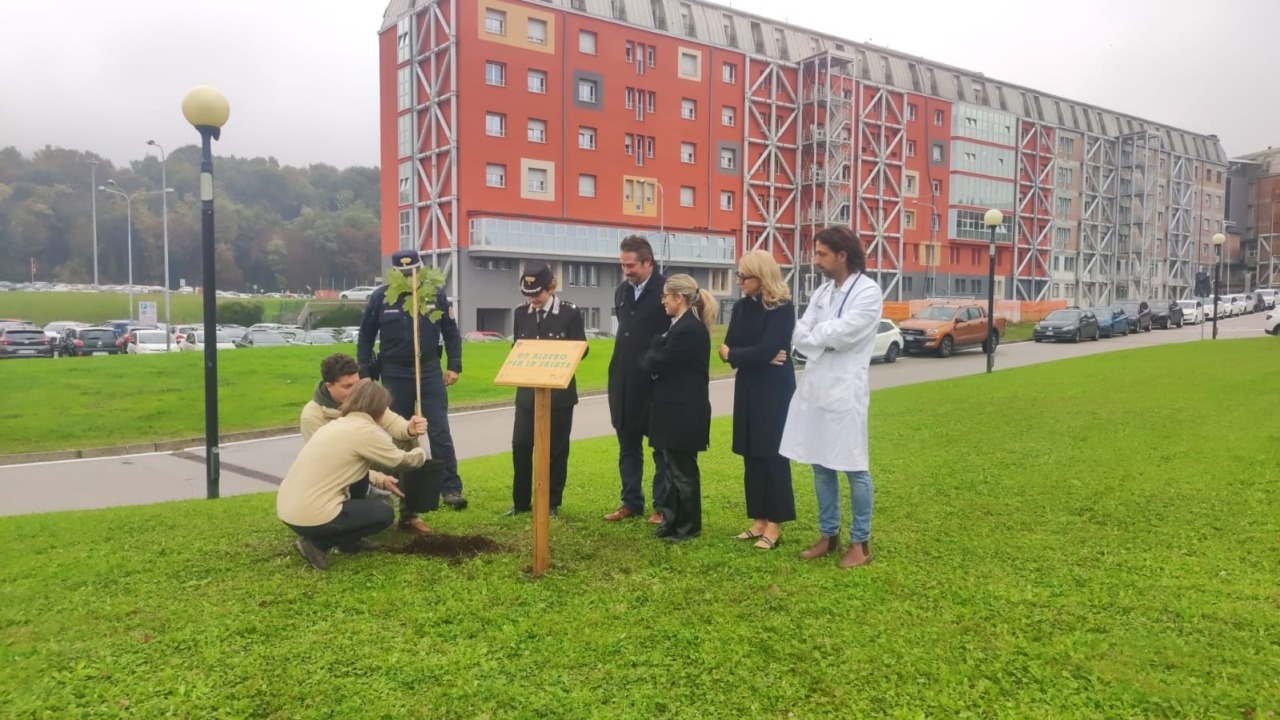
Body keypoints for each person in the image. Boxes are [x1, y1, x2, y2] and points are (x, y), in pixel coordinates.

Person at [780, 225, 883, 569]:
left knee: (854, 466)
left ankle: (860, 543)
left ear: (842, 255)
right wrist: (819, 338)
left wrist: (817, 336)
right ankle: (829, 534)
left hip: (844, 391)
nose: (816, 260)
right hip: (816, 387)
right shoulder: (823, 292)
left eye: (822, 254)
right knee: (820, 464)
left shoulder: (868, 292)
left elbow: (845, 334)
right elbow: (799, 332)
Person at [357, 249, 468, 514]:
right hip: (394, 371)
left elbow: (451, 332)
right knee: (400, 432)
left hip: (428, 369)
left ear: (420, 269)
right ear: (396, 273)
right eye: (404, 274)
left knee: (439, 430)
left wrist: (454, 365)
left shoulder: (434, 295)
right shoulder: (381, 297)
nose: (410, 278)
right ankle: (402, 488)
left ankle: (450, 488)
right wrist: (364, 371)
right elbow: (366, 336)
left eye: (413, 272)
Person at [277, 379, 427, 570]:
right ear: (379, 409)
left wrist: (381, 480)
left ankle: (349, 543)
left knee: (360, 479)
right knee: (384, 514)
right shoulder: (365, 431)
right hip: (311, 515)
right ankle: (317, 544)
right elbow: (403, 461)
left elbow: (353, 470)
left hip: (288, 510)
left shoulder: (336, 425)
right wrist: (421, 452)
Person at [300, 353, 435, 531]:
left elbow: (393, 422)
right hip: (343, 472)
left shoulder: (363, 398)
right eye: (347, 386)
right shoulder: (312, 416)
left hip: (367, 459)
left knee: (408, 441)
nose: (354, 391)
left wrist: (409, 428)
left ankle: (409, 517)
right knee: (382, 510)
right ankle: (343, 524)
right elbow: (329, 465)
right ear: (329, 386)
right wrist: (379, 480)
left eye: (357, 384)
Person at [718, 250, 797, 551]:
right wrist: (747, 355)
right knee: (750, 452)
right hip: (748, 386)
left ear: (761, 277)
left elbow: (767, 348)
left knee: (772, 453)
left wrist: (742, 354)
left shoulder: (782, 307)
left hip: (774, 390)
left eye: (743, 276)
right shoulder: (741, 307)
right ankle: (758, 520)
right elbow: (728, 349)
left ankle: (775, 524)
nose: (738, 281)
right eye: (738, 275)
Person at [505, 262, 587, 518]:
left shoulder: (570, 312)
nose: (533, 299)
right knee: (520, 445)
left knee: (556, 450)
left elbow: (582, 349)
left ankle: (551, 501)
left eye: (537, 293)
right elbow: (517, 347)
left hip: (559, 395)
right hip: (527, 394)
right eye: (528, 294)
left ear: (550, 287)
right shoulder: (521, 313)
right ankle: (520, 502)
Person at [641, 274, 717, 542]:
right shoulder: (678, 326)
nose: (662, 301)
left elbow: (658, 361)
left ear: (679, 297)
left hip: (683, 410)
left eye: (665, 296)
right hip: (672, 407)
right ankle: (671, 521)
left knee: (683, 471)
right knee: (671, 469)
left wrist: (654, 348)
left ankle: (687, 526)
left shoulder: (688, 329)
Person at [603, 236, 669, 524]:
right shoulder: (622, 291)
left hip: (654, 381)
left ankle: (662, 506)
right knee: (627, 446)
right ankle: (631, 502)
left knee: (660, 449)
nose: (626, 271)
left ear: (648, 262)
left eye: (631, 265)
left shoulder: (666, 290)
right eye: (623, 265)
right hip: (623, 379)